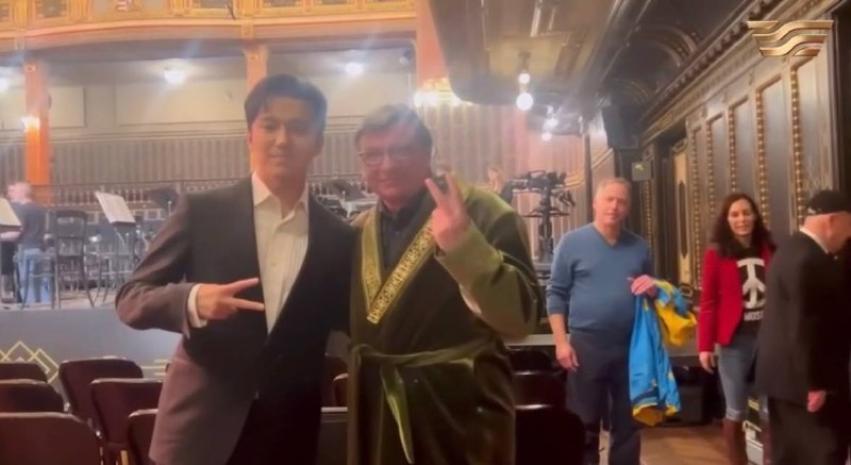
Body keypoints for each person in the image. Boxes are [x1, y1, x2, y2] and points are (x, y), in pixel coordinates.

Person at [115, 74, 354, 465]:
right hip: (199, 430)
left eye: (298, 128)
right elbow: (131, 298)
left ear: (318, 143)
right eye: (270, 125)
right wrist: (191, 299)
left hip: (288, 434)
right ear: (250, 136)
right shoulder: (202, 212)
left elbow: (354, 322)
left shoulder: (339, 236)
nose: (282, 140)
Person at [347, 104, 542, 465]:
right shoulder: (359, 230)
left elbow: (520, 319)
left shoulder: (483, 211)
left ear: (428, 153)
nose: (386, 165)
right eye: (373, 155)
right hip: (379, 409)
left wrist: (464, 246)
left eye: (401, 151)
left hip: (460, 411)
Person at [547, 177, 656, 465]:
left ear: (628, 208)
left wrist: (654, 289)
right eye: (609, 199)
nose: (614, 206)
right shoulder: (572, 243)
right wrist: (561, 342)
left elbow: (651, 293)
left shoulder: (640, 247)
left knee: (628, 424)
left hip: (631, 346)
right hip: (586, 345)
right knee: (583, 423)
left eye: (621, 201)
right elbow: (556, 294)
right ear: (595, 203)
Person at [755, 190, 851, 465]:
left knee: (790, 455)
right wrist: (814, 383)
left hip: (782, 380)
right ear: (832, 221)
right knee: (823, 453)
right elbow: (804, 326)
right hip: (808, 386)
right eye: (849, 226)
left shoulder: (789, 249)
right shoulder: (810, 260)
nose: (849, 235)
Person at [697, 192, 775, 465]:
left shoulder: (770, 248)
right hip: (734, 340)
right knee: (736, 410)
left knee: (770, 410)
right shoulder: (716, 254)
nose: (742, 219)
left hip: (768, 338)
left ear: (755, 216)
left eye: (746, 213)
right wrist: (705, 346)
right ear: (727, 219)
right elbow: (708, 302)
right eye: (735, 214)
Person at [0, 182, 48, 305]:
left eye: (15, 191)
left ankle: (30, 307)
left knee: (26, 283)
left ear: (22, 193)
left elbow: (16, 233)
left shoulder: (23, 209)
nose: (11, 195)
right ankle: (42, 305)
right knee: (38, 281)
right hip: (40, 249)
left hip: (26, 249)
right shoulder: (39, 208)